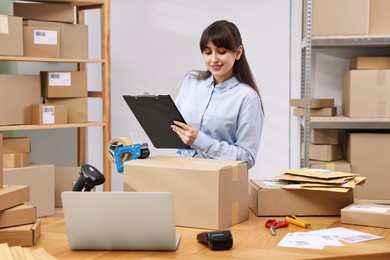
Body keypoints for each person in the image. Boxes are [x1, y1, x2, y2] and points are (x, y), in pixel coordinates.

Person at [171, 20, 264, 169]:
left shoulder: (247, 98)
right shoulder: (191, 81)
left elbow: (247, 158)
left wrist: (200, 140)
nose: (213, 59)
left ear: (238, 52)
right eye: (208, 52)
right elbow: (177, 128)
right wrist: (161, 111)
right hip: (182, 172)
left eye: (221, 52)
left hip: (219, 179)